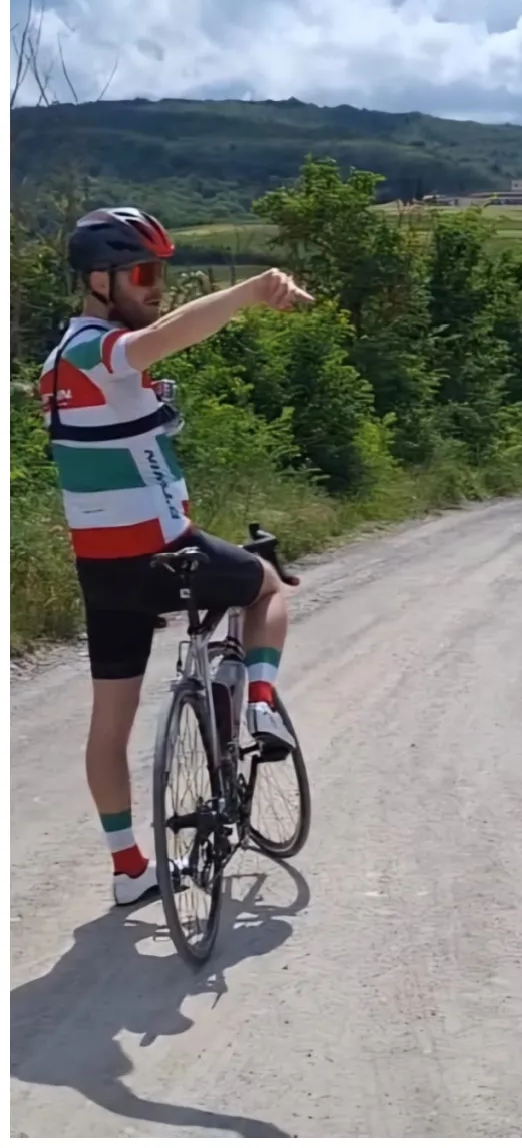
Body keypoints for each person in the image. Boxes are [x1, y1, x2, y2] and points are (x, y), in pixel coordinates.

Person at [40, 206, 312, 907]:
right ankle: (257, 704)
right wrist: (251, 292)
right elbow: (163, 338)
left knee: (110, 723)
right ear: (99, 280)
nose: (156, 285)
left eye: (161, 272)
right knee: (268, 588)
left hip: (102, 573)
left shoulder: (53, 365)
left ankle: (130, 870)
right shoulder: (97, 352)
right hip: (165, 557)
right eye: (142, 273)